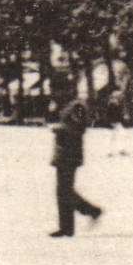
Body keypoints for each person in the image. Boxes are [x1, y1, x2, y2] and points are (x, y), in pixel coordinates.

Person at [49, 102, 103, 238]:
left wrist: (60, 129)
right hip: (64, 154)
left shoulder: (76, 106)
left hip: (69, 156)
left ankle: (91, 212)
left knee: (64, 191)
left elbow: (79, 128)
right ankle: (67, 227)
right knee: (63, 191)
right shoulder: (66, 106)